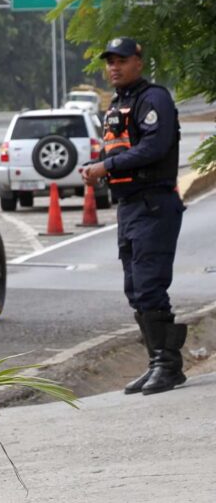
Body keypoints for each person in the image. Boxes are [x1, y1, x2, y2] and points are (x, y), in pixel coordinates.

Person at [81, 36, 186, 396]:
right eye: (110, 61)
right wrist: (99, 167)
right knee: (135, 288)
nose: (114, 67)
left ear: (138, 62)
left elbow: (154, 147)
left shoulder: (153, 98)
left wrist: (105, 166)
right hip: (130, 207)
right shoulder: (118, 104)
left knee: (150, 284)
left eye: (121, 60)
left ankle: (168, 366)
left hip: (154, 203)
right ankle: (157, 360)